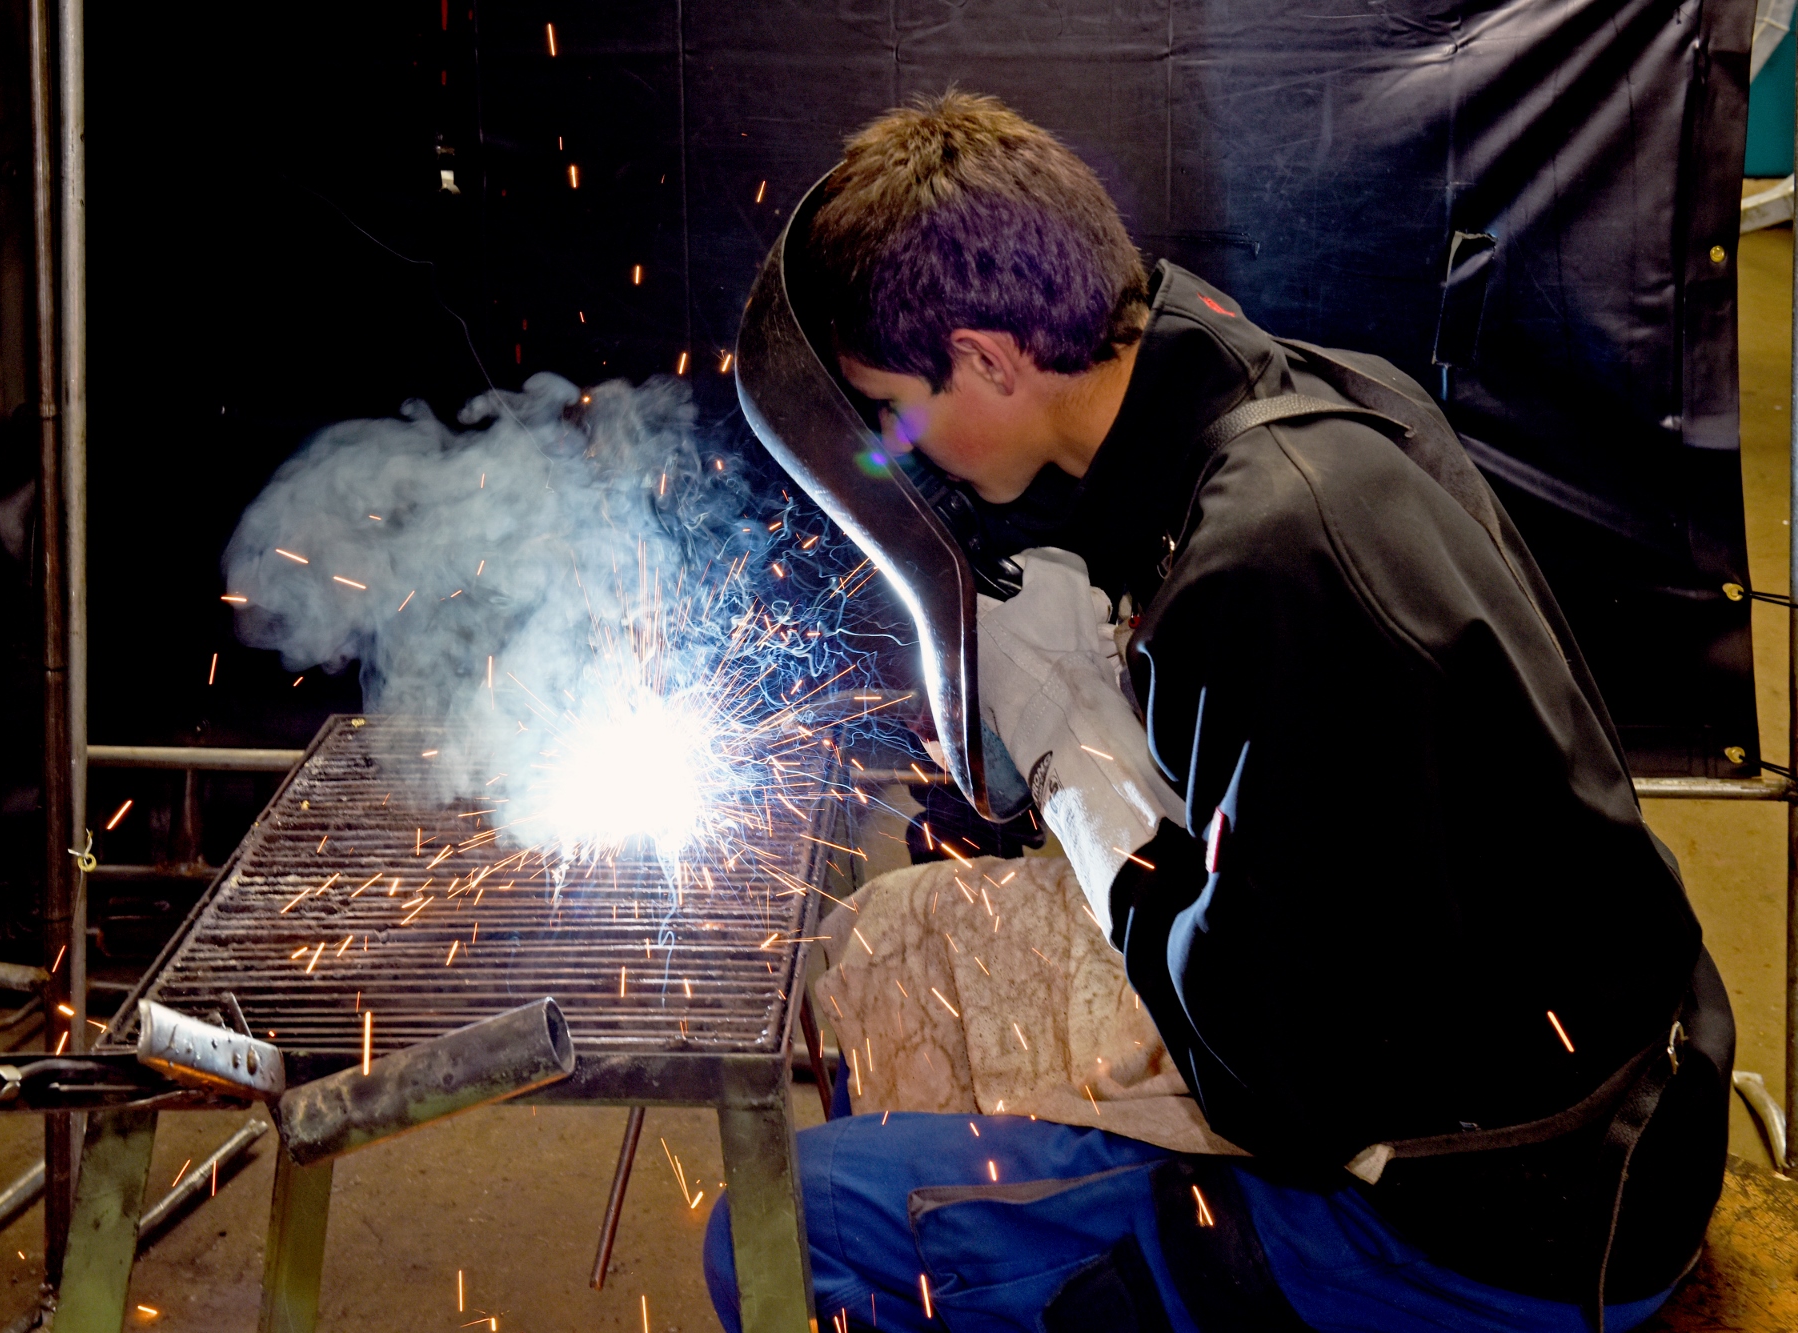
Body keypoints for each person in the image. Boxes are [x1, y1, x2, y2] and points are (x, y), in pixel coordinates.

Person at [707, 91, 1731, 1333]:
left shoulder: (1263, 563)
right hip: (1607, 1073)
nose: (894, 443)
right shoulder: (1293, 388)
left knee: (784, 1221)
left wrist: (1077, 772)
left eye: (891, 407)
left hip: (1495, 1220)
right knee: (893, 937)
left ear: (986, 357)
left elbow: (1269, 1088)